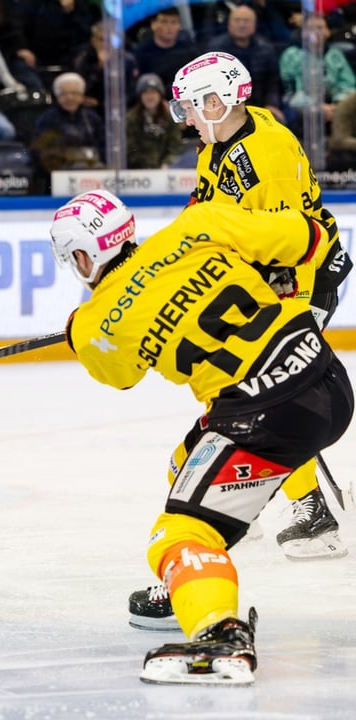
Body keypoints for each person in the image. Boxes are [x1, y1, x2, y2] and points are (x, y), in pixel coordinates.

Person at [49, 189, 353, 685]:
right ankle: (190, 584)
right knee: (185, 461)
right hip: (326, 378)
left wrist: (76, 331)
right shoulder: (197, 226)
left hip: (264, 415)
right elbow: (307, 235)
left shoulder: (95, 323)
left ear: (83, 257)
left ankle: (220, 632)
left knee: (176, 533)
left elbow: (118, 374)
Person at [126, 50, 355, 631]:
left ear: (219, 99)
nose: (184, 116)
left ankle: (312, 514)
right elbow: (207, 216)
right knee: (249, 400)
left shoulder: (266, 153)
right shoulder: (219, 147)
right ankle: (284, 506)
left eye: (190, 104)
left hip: (300, 282)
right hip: (276, 281)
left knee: (259, 399)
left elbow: (279, 244)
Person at [204, 4, 285, 122]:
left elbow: (273, 82)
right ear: (229, 24)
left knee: (277, 119)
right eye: (237, 20)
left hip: (260, 106)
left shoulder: (266, 49)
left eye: (246, 21)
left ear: (254, 25)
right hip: (227, 107)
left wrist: (272, 104)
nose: (242, 25)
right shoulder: (216, 50)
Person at [279, 13, 356, 137]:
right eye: (311, 29)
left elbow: (348, 85)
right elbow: (291, 93)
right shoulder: (291, 55)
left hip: (335, 107)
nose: (316, 32)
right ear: (303, 32)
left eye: (320, 28)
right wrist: (318, 107)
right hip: (302, 106)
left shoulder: (335, 55)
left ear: (327, 31)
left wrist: (337, 106)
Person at [28, 72, 105, 183]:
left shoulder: (92, 118)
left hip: (93, 173)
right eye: (64, 94)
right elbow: (39, 152)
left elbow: (103, 145)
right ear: (57, 96)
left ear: (82, 96)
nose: (70, 98)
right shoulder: (47, 119)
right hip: (58, 174)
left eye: (74, 93)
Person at [132, 7, 200, 98]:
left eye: (173, 22)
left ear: (179, 26)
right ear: (153, 24)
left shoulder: (189, 51)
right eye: (164, 22)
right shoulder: (141, 53)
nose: (169, 27)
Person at [125, 73, 183, 169]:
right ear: (140, 96)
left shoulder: (170, 116)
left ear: (160, 95)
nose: (150, 97)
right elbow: (130, 149)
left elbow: (175, 146)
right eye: (146, 93)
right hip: (138, 172)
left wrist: (168, 163)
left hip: (166, 169)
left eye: (153, 92)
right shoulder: (131, 118)